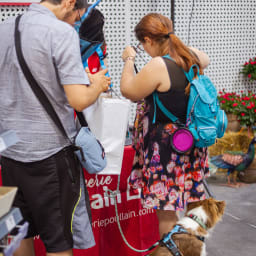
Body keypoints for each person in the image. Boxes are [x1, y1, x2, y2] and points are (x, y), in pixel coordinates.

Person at [0, 0, 111, 256]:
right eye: (78, 17)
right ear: (69, 3)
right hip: (49, 156)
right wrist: (97, 84)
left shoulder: (5, 28)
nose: (75, 23)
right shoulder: (60, 33)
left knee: (18, 232)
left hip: (10, 153)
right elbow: (79, 100)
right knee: (58, 240)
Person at [120, 13, 210, 255]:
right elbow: (205, 58)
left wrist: (129, 60)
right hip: (192, 143)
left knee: (167, 209)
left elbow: (128, 91)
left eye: (142, 45)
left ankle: (174, 252)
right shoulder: (191, 57)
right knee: (193, 202)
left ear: (148, 40)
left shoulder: (159, 65)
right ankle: (193, 251)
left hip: (167, 151)